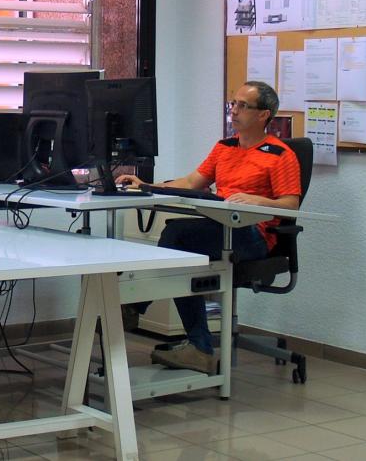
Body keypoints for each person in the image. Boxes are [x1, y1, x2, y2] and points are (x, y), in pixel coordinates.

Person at [116, 81, 302, 374]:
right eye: (233, 103)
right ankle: (197, 346)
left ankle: (139, 308)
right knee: (179, 246)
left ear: (264, 115)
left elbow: (291, 204)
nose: (234, 111)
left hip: (254, 237)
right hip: (219, 227)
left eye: (243, 106)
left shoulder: (280, 155)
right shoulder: (224, 147)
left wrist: (257, 200)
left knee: (177, 236)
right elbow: (192, 183)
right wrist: (146, 185)